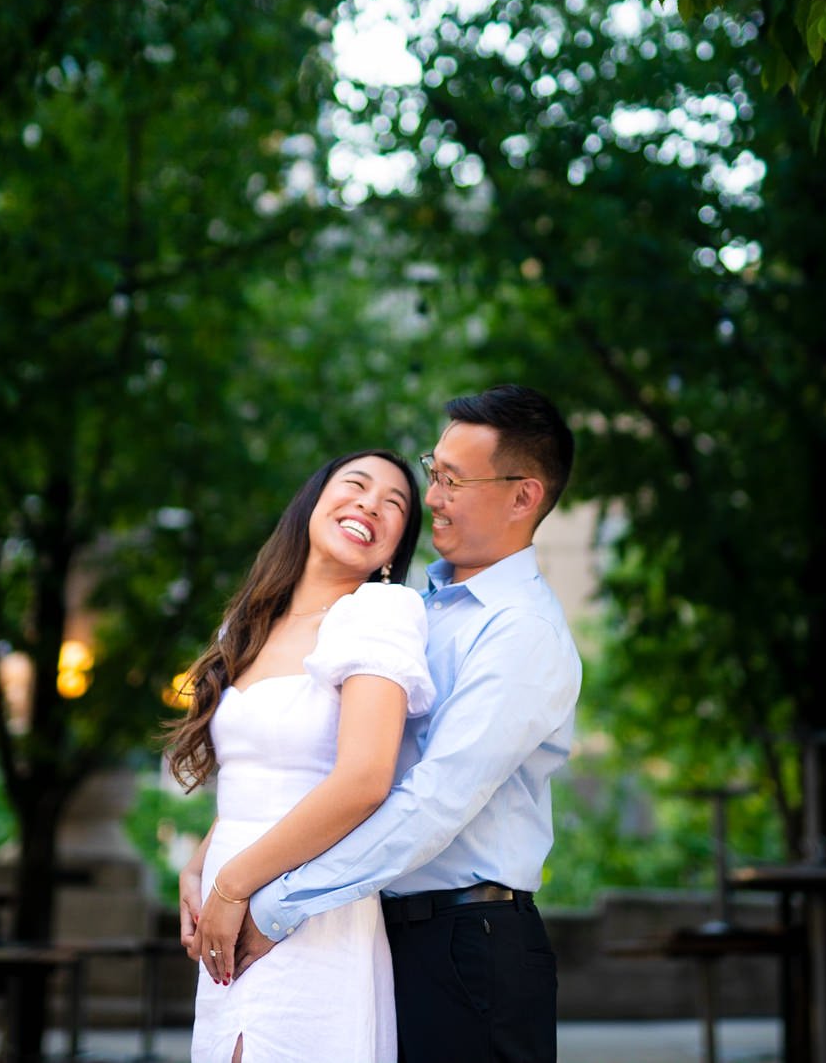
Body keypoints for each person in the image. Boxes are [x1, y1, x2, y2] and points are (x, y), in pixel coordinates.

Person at [235, 384, 582, 1063]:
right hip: (380, 934)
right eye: (434, 472)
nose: (434, 497)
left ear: (523, 497)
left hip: (470, 946)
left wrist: (273, 904)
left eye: (453, 480)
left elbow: (431, 806)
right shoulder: (413, 605)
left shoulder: (522, 633)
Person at [168, 448, 431, 1063]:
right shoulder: (248, 624)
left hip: (305, 905)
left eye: (394, 504)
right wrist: (199, 866)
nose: (371, 503)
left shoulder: (378, 613)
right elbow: (262, 774)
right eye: (356, 485)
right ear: (314, 502)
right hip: (228, 902)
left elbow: (364, 780)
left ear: (393, 551)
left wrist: (233, 886)